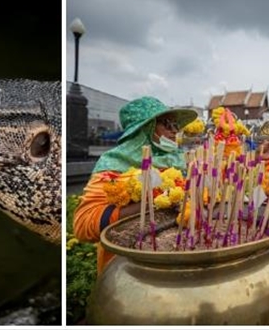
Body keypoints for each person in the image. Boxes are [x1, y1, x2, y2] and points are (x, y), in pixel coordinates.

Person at [73, 97, 198, 275]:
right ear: (144, 129)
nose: (174, 131)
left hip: (179, 266)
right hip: (129, 272)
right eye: (166, 124)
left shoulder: (180, 161)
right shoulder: (114, 165)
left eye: (176, 125)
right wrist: (154, 203)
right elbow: (83, 224)